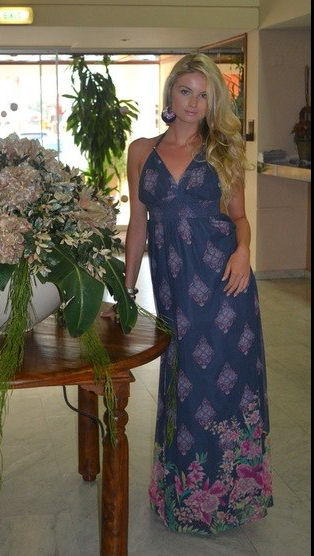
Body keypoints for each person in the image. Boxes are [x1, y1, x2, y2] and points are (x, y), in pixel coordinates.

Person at [105, 53, 273, 535]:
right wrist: (126, 289)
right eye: (186, 91)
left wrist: (243, 250)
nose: (194, 103)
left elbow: (239, 218)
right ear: (171, 94)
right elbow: (138, 225)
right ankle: (184, 493)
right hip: (176, 291)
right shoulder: (141, 151)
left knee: (228, 385)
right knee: (185, 384)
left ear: (212, 102)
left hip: (226, 286)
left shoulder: (224, 150)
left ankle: (232, 496)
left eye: (204, 95)